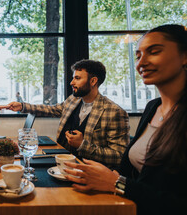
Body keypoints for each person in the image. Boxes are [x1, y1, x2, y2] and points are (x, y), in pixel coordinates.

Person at [64, 24, 187, 215]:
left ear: (184, 55)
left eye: (154, 52)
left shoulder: (115, 110)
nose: (141, 63)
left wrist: (117, 183)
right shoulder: (153, 107)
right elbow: (129, 170)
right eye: (138, 56)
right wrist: (103, 176)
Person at [8, 59, 130, 169]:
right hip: (62, 163)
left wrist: (82, 145)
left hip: (87, 171)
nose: (71, 82)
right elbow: (53, 109)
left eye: (77, 78)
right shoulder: (74, 99)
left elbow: (119, 156)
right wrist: (22, 106)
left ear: (93, 81)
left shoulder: (114, 112)